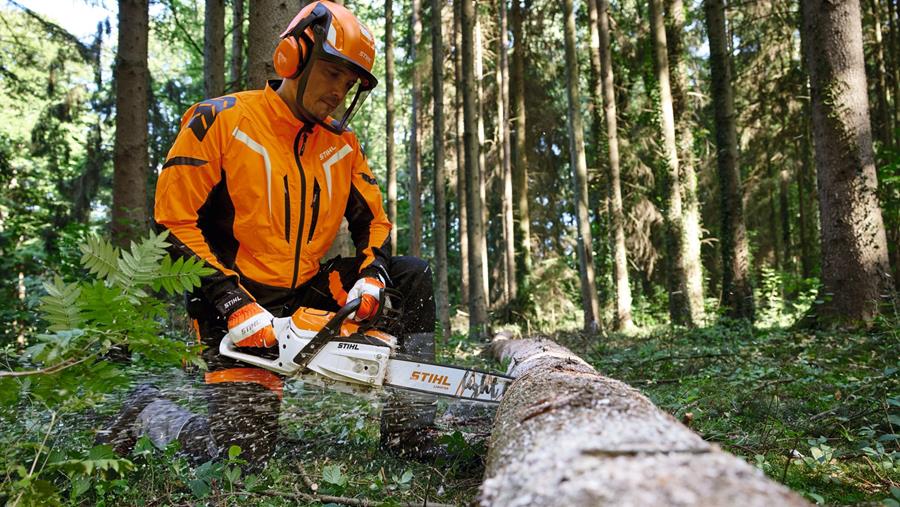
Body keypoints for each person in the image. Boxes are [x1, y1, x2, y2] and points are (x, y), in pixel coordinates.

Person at [98, 1, 439, 465]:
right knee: (238, 456)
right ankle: (148, 409)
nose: (339, 90)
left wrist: (372, 274)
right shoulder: (219, 121)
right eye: (332, 72)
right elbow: (172, 223)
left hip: (307, 288)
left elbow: (373, 222)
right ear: (293, 57)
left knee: (411, 275)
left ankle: (410, 434)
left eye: (349, 81)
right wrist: (232, 301)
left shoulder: (342, 146)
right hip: (231, 295)